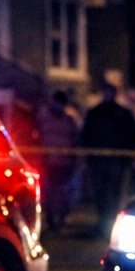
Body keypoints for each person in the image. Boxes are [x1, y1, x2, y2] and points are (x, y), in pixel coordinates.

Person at [79, 80, 135, 235]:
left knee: (115, 193)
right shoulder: (95, 112)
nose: (108, 94)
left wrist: (131, 154)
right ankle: (102, 222)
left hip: (117, 161)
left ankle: (111, 223)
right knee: (100, 192)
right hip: (98, 160)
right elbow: (86, 135)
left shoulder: (123, 113)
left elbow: (133, 135)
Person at [34, 90, 81, 233]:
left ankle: (60, 220)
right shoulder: (43, 117)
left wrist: (74, 159)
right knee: (48, 193)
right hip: (47, 162)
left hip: (64, 163)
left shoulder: (70, 118)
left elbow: (76, 139)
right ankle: (50, 220)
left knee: (63, 194)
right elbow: (37, 136)